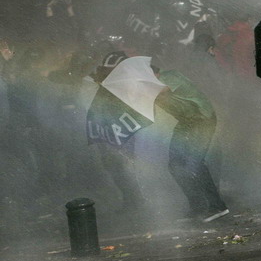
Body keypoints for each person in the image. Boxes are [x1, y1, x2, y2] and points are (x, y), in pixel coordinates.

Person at [91, 52, 229, 222]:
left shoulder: (170, 76)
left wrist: (132, 87)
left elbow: (161, 89)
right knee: (175, 166)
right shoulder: (150, 86)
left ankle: (218, 206)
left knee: (193, 165)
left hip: (203, 120)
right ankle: (198, 207)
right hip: (186, 123)